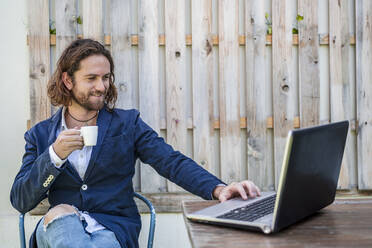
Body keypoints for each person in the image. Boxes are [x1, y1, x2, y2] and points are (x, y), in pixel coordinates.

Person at [10, 39, 261, 248]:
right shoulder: (41, 136)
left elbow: (170, 161)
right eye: (91, 78)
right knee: (61, 215)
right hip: (58, 230)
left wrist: (218, 189)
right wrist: (55, 155)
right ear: (67, 81)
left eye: (106, 77)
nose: (102, 86)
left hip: (111, 230)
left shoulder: (127, 124)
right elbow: (22, 200)